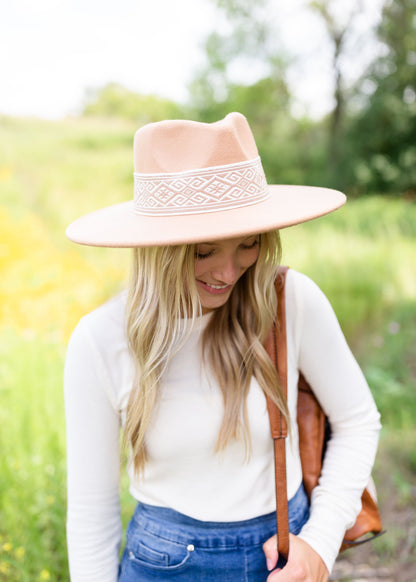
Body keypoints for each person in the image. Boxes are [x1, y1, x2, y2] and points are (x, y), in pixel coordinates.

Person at [64, 112, 381, 582]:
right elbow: (92, 509)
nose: (230, 273)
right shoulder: (100, 339)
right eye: (203, 251)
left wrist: (319, 544)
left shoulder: (289, 300)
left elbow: (358, 421)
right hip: (161, 565)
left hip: (280, 556)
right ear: (157, 249)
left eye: (249, 244)